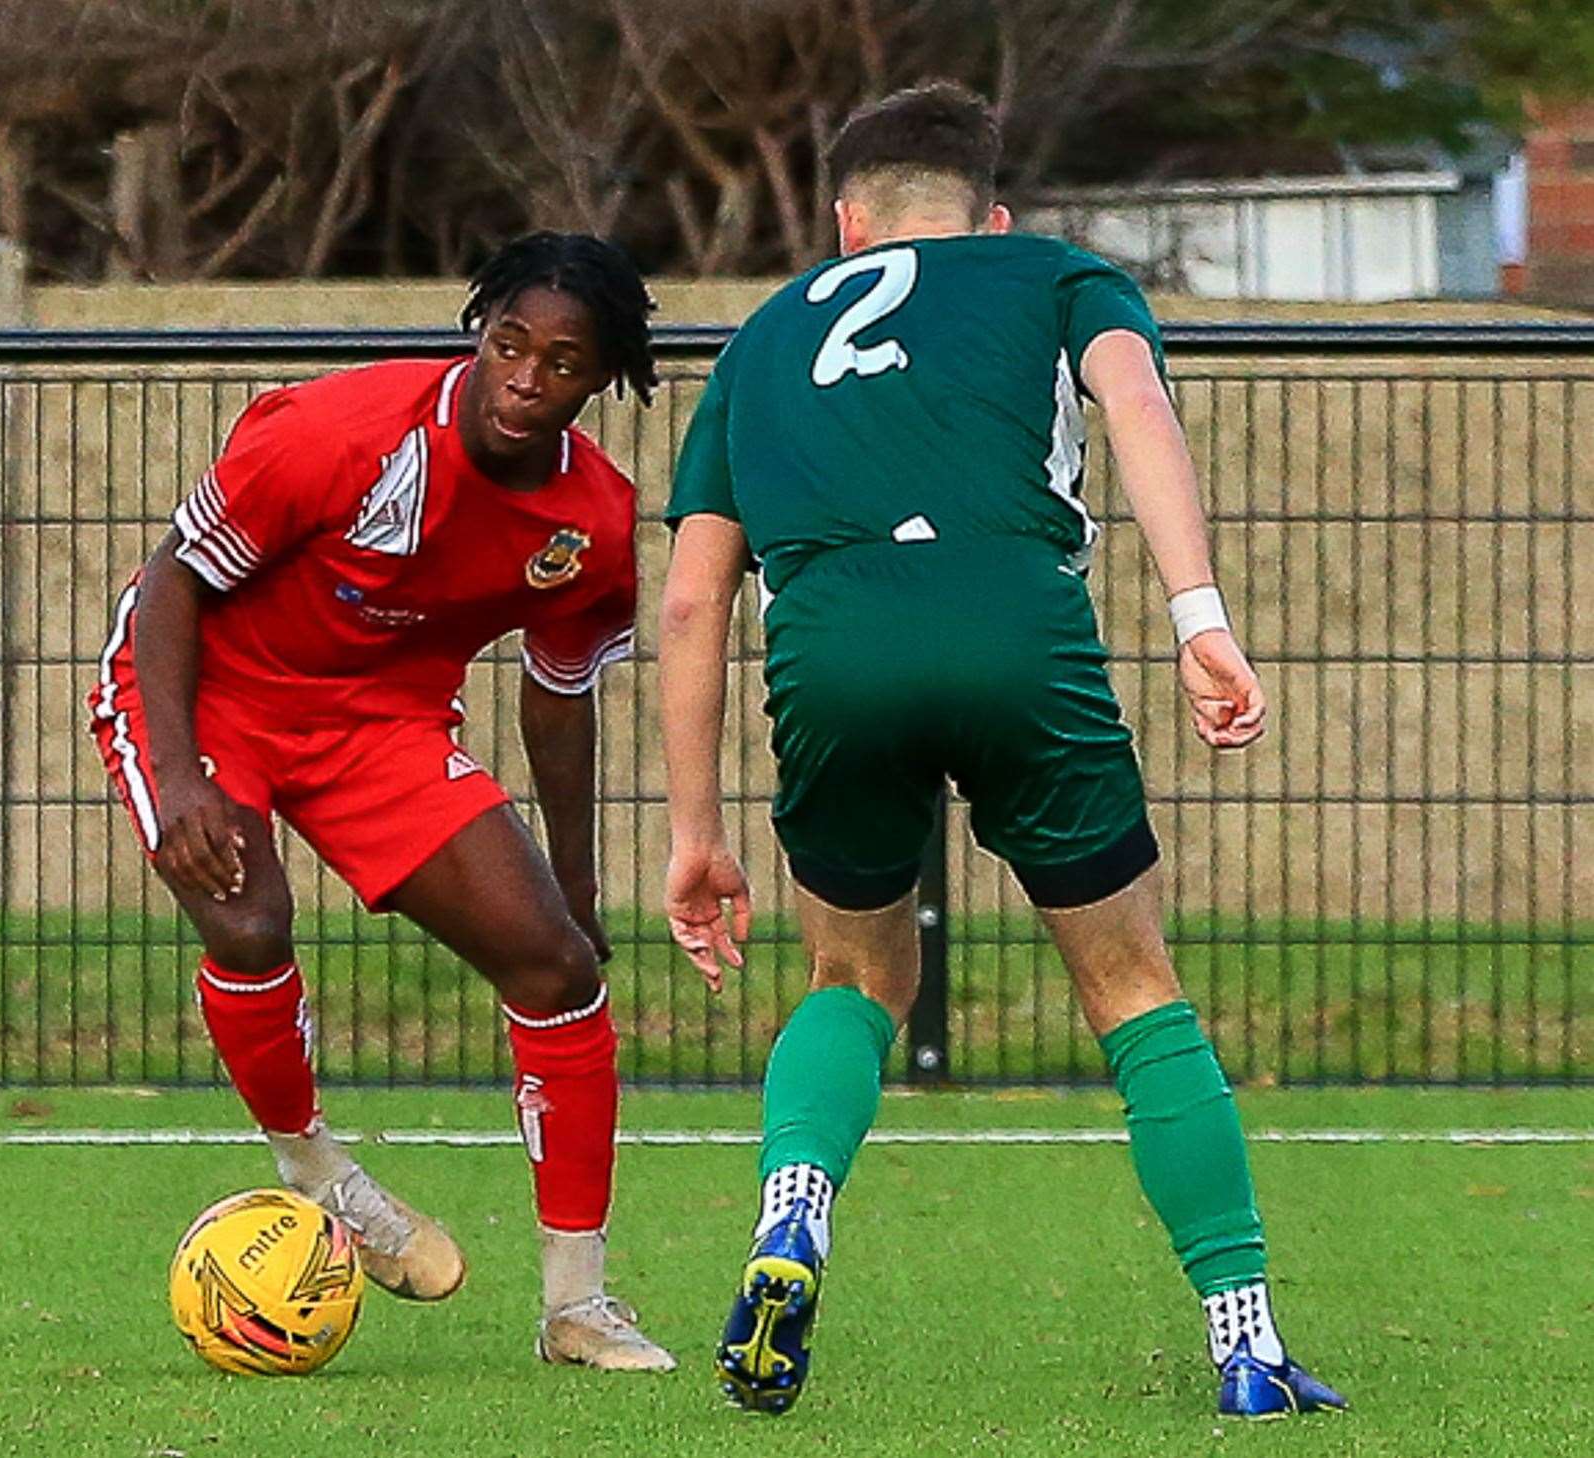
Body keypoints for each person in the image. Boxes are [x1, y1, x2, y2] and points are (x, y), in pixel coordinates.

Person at [659, 83, 1345, 1418]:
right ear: (994, 214)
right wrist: (1197, 616)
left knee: (854, 977)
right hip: (1013, 624)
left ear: (845, 223)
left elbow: (690, 598)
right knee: (1132, 985)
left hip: (833, 645)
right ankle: (1245, 1345)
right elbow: (1134, 399)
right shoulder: (1055, 274)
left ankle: (793, 1216)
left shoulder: (759, 338)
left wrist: (695, 832)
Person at [88, 231, 673, 1373]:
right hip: (209, 695)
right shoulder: (339, 432)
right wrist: (177, 775)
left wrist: (579, 879)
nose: (523, 377)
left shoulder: (590, 523)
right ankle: (318, 1173)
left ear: (600, 379)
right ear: (478, 332)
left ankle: (577, 1307)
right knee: (249, 920)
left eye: (559, 361)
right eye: (508, 343)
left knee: (557, 968)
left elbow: (558, 702)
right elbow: (171, 581)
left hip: (379, 725)